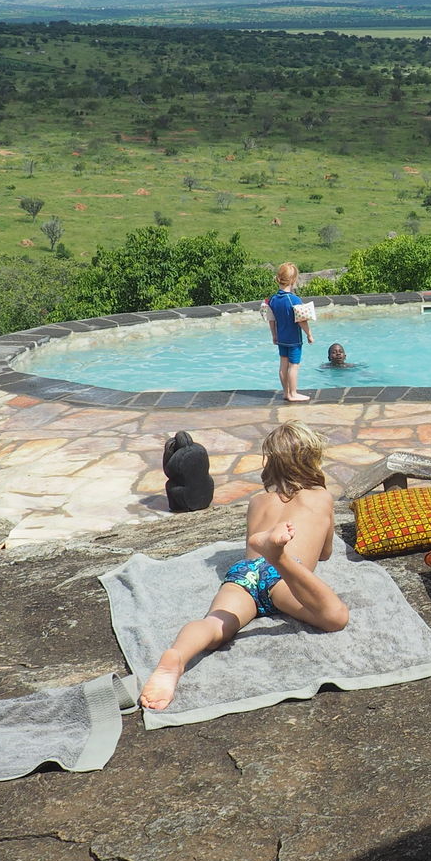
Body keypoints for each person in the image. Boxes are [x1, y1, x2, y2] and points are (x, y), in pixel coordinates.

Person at [139, 421, 350, 710]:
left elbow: (251, 543)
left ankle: (176, 657)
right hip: (285, 576)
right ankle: (280, 555)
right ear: (312, 459)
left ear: (271, 463)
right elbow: (325, 553)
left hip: (246, 573)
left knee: (215, 624)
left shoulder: (257, 501)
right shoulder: (321, 497)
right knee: (335, 617)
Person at [264, 262, 315, 401]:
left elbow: (271, 319)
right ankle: (293, 393)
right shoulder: (294, 299)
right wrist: (309, 334)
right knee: (294, 366)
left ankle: (286, 393)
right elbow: (302, 320)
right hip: (294, 340)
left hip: (281, 338)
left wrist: (274, 335)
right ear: (293, 280)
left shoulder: (273, 299)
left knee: (283, 365)